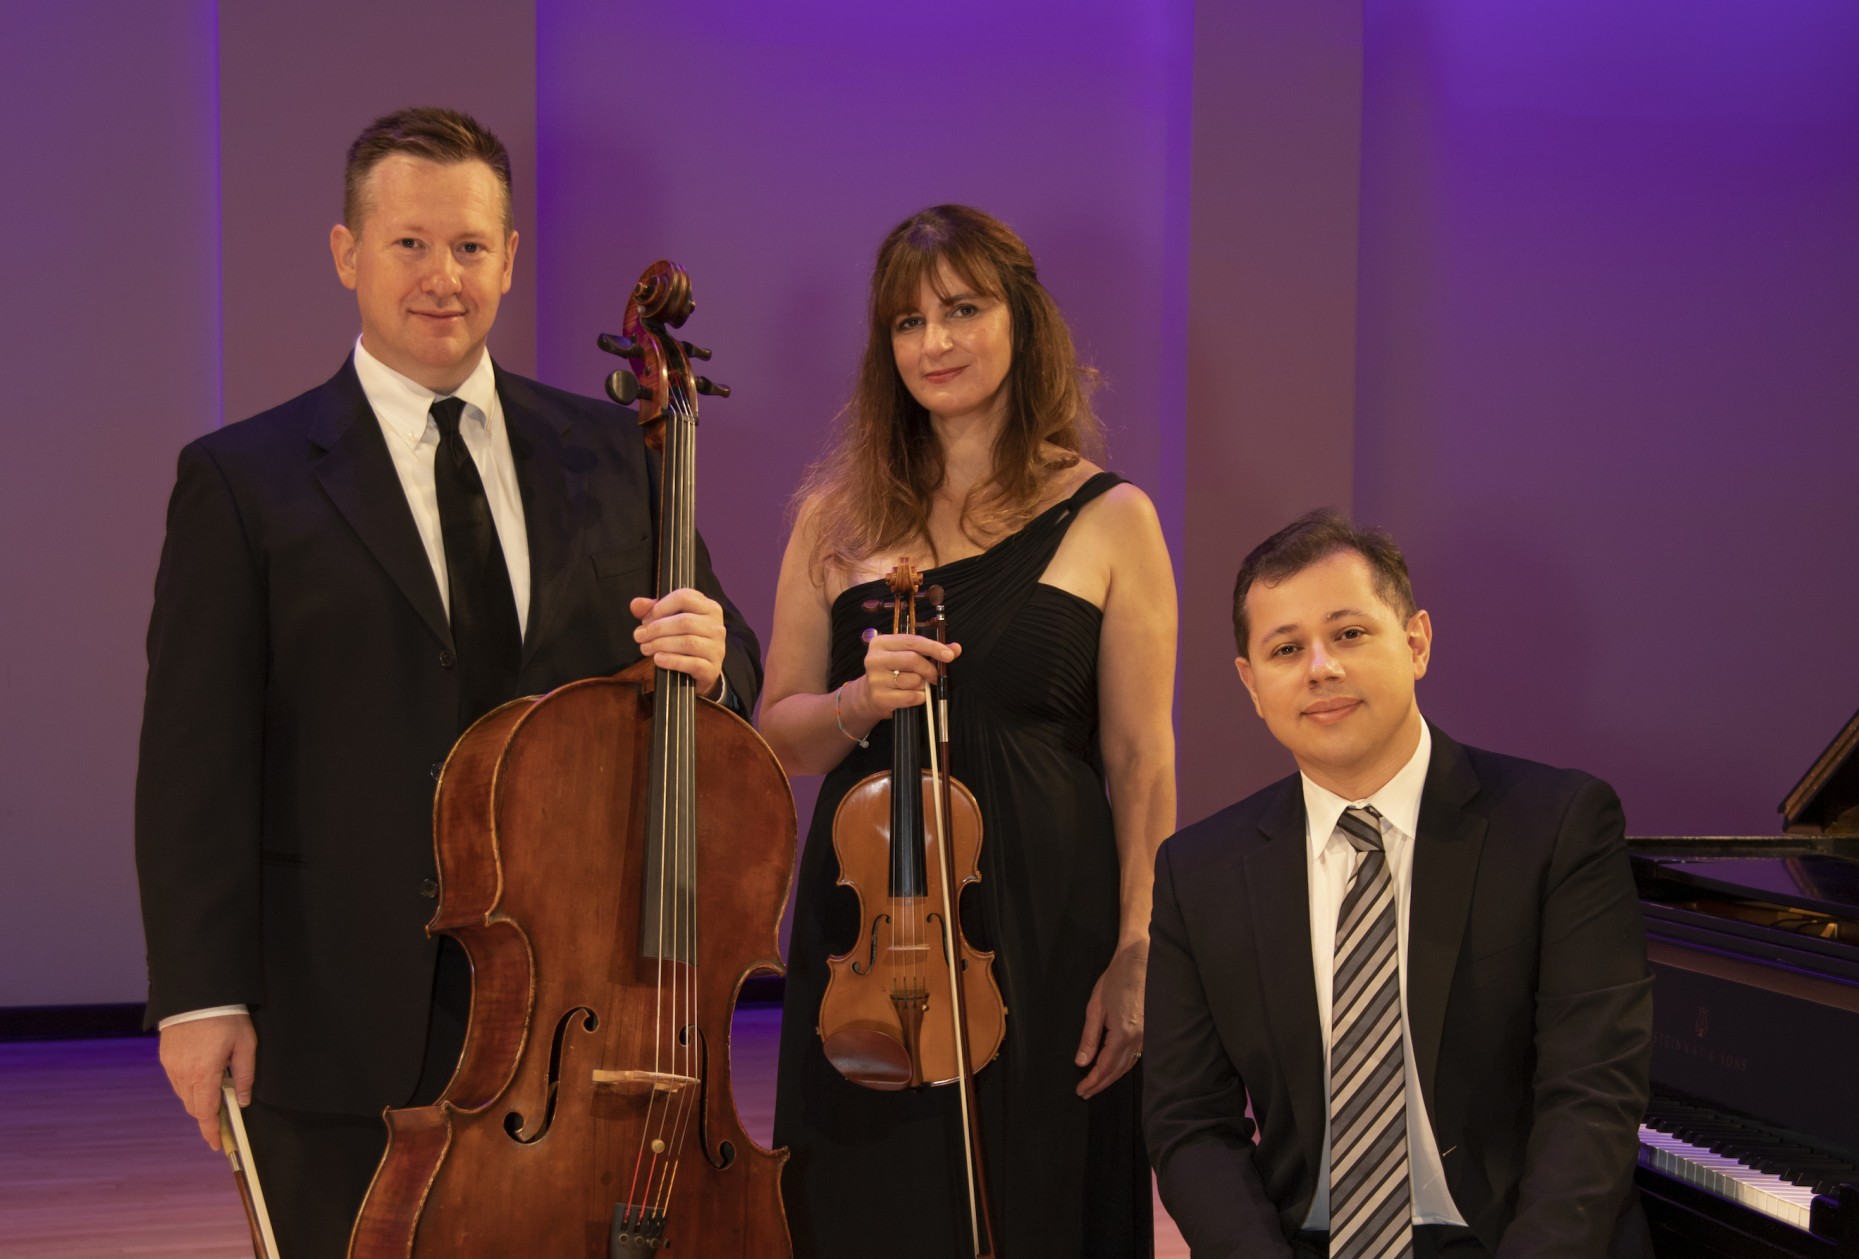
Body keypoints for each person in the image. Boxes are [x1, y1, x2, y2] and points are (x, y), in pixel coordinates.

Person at [134, 107, 759, 1259]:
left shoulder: (615, 449)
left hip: (569, 1001)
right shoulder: (242, 480)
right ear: (346, 254)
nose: (442, 277)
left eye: (470, 246)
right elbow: (193, 761)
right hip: (341, 1002)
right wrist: (200, 993)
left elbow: (728, 673)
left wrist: (719, 659)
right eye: (410, 243)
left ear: (510, 258)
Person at [757, 204, 1176, 1257]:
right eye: (906, 322)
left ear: (1021, 321)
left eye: (961, 309)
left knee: (1043, 1195)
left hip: (1048, 924)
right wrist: (855, 704)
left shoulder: (1110, 514)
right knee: (870, 1204)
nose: (933, 342)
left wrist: (1137, 943)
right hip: (876, 939)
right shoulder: (836, 517)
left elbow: (1139, 754)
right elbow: (778, 732)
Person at [1143, 509, 1652, 1258]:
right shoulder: (1199, 871)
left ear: (1415, 642)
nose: (1321, 667)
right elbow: (1189, 1122)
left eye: (1349, 633)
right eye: (1286, 648)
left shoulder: (1557, 825)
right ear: (1251, 684)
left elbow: (1592, 1097)